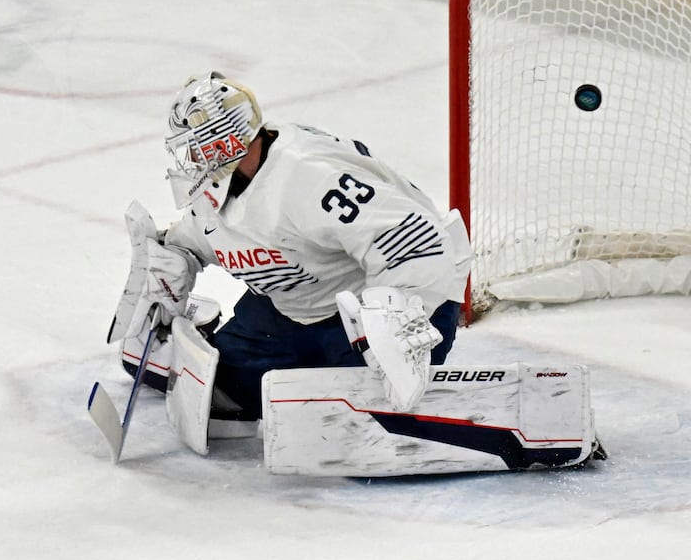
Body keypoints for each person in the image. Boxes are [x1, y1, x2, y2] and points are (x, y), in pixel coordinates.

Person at [114, 71, 471, 427]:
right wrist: (175, 260)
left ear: (222, 143)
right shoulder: (220, 183)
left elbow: (417, 239)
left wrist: (395, 326)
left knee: (353, 424)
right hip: (297, 305)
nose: (189, 159)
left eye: (194, 147)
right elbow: (198, 236)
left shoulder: (309, 176)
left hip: (396, 305)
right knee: (216, 390)